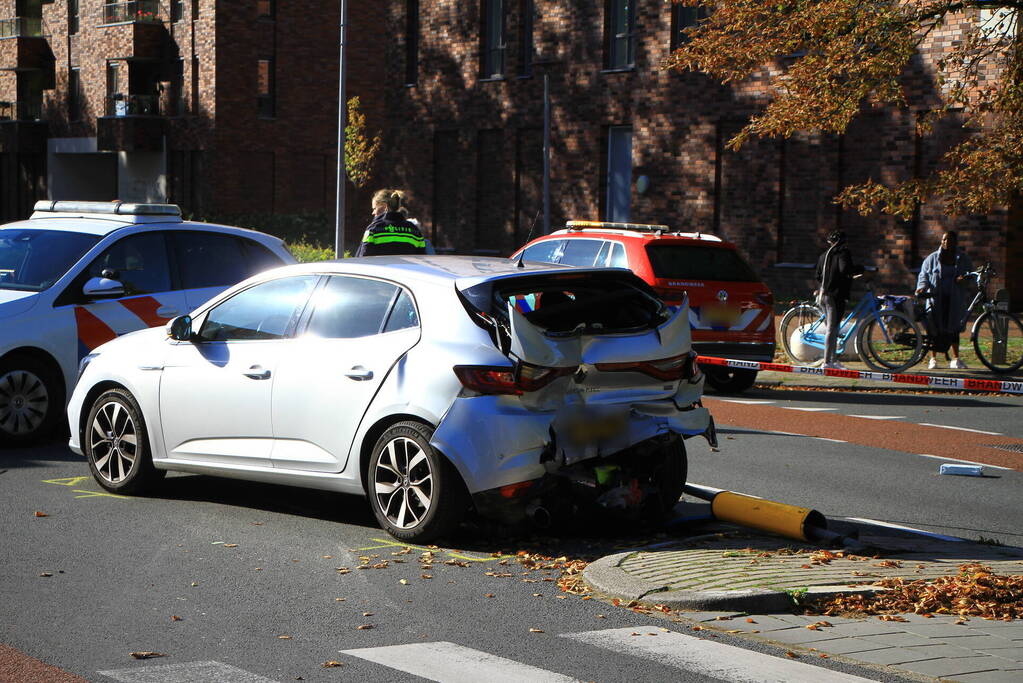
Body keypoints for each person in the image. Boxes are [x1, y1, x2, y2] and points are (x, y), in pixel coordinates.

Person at [916, 230, 974, 369]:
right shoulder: (932, 259)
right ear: (941, 241)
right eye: (944, 239)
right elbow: (924, 275)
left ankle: (956, 358)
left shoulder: (963, 259)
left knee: (954, 328)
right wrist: (922, 287)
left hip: (955, 299)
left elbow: (970, 276)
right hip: (936, 299)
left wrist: (964, 279)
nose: (947, 242)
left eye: (950, 240)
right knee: (933, 329)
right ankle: (933, 359)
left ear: (956, 242)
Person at [815, 230, 863, 370]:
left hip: (823, 295)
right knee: (832, 328)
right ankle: (826, 362)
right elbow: (845, 269)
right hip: (835, 295)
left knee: (834, 327)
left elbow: (818, 275)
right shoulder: (843, 253)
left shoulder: (823, 256)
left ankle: (833, 360)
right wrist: (860, 269)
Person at [354, 189, 427, 256]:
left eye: (374, 208)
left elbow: (363, 258)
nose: (373, 213)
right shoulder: (414, 230)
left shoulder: (374, 229)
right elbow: (422, 257)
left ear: (385, 206)